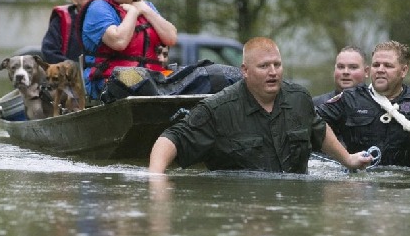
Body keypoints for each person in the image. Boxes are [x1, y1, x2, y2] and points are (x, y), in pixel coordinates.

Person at [148, 37, 373, 174]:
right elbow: (172, 137)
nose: (273, 72)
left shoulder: (298, 98)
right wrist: (156, 178)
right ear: (244, 71)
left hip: (293, 205)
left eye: (277, 65)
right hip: (244, 207)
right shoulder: (220, 107)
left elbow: (319, 131)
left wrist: (348, 159)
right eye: (264, 66)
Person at [317, 40, 410, 168]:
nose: (380, 70)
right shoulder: (349, 99)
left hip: (408, 192)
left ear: (403, 71)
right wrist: (346, 159)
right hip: (360, 191)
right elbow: (315, 123)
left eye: (388, 66)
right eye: (376, 65)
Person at [79, 0, 177, 100]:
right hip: (110, 80)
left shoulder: (146, 7)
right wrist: (132, 12)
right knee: (141, 82)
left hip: (151, 77)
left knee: (210, 74)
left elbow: (171, 38)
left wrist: (146, 10)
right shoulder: (98, 8)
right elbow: (119, 42)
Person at [40, 0, 100, 64]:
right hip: (73, 74)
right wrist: (73, 69)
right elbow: (49, 52)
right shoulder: (62, 19)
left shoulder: (110, 14)